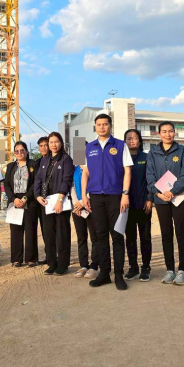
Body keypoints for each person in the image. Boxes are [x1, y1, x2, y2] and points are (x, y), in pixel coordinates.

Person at [81, 113, 133, 291]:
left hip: (115, 196)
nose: (102, 127)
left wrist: (125, 194)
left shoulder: (120, 145)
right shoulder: (87, 147)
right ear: (95, 127)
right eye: (99, 124)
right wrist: (83, 195)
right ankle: (104, 273)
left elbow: (127, 171)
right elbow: (85, 172)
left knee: (117, 235)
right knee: (100, 236)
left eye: (105, 124)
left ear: (110, 126)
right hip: (96, 196)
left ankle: (118, 275)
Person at [146, 121, 184, 285]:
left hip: (180, 198)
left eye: (170, 131)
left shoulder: (182, 150)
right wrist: (157, 192)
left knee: (181, 232)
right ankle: (170, 270)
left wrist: (173, 191)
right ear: (159, 134)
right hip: (161, 199)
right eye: (164, 131)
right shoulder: (153, 152)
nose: (167, 134)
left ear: (174, 133)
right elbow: (150, 176)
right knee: (166, 234)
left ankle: (182, 270)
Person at [34, 132, 74, 275]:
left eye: (56, 142)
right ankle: (52, 263)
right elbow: (38, 179)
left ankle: (63, 264)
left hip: (60, 201)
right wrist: (37, 196)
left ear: (61, 143)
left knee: (62, 234)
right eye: (51, 142)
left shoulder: (66, 159)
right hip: (46, 202)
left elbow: (67, 180)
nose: (53, 145)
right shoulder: (44, 160)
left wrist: (60, 200)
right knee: (48, 233)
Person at [123, 129, 153, 282]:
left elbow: (151, 180)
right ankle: (133, 267)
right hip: (127, 205)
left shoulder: (146, 158)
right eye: (128, 138)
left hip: (143, 204)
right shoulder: (121, 158)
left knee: (145, 237)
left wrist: (150, 199)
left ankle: (146, 267)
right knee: (130, 238)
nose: (132, 140)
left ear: (140, 140)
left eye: (134, 138)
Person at [4, 141, 38, 267]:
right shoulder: (11, 166)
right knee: (15, 231)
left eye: (22, 150)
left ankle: (31, 258)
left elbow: (36, 183)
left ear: (26, 151)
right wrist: (14, 199)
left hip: (29, 201)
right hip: (15, 202)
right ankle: (16, 259)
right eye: (16, 151)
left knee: (30, 231)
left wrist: (25, 198)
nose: (19, 153)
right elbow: (6, 184)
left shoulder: (33, 164)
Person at [71, 164, 99, 279]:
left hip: (91, 205)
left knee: (95, 237)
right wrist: (76, 203)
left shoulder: (93, 164)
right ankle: (83, 265)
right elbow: (71, 186)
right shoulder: (75, 168)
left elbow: (95, 184)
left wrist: (83, 202)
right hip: (77, 207)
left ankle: (94, 266)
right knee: (81, 237)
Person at [35, 136, 50, 265]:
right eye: (41, 146)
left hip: (53, 200)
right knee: (45, 230)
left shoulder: (57, 160)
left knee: (55, 230)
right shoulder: (38, 162)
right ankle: (49, 254)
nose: (43, 148)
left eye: (46, 145)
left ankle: (58, 256)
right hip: (40, 201)